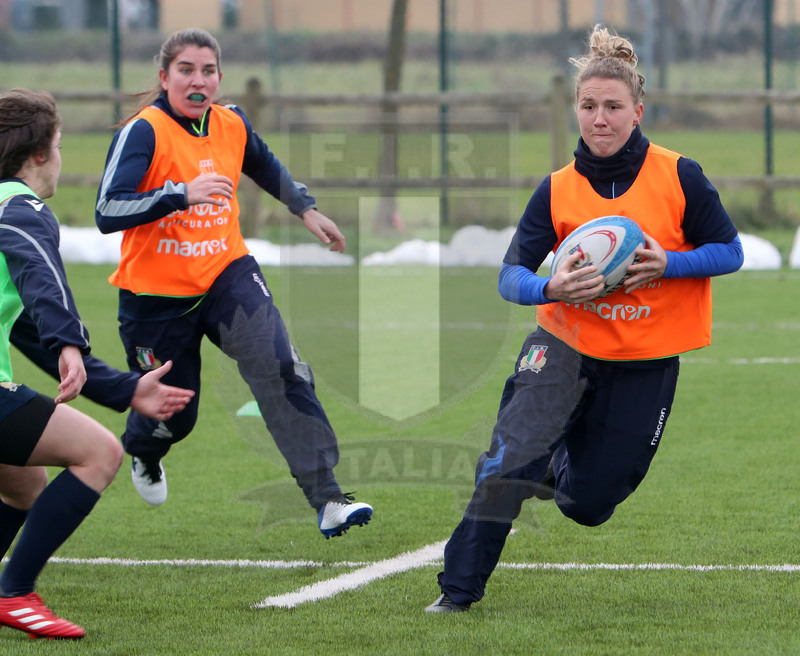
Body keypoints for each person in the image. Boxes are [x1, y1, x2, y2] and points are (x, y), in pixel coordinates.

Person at [425, 25, 744, 613]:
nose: (600, 118)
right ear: (576, 108)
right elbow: (508, 275)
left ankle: (557, 466)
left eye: (613, 107)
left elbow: (729, 251)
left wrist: (666, 263)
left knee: (590, 504)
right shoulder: (556, 190)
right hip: (562, 347)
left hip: (644, 362)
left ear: (638, 111)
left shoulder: (680, 175)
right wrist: (552, 285)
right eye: (588, 105)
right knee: (507, 466)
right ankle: (457, 592)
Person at [94, 28, 372, 538]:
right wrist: (179, 194)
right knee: (176, 416)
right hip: (155, 300)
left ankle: (328, 497)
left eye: (207, 71)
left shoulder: (231, 122)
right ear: (164, 77)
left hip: (227, 275)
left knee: (281, 366)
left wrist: (305, 209)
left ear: (219, 78)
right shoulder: (144, 131)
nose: (197, 81)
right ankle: (145, 448)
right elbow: (107, 209)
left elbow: (264, 164)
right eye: (186, 71)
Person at [0, 88, 195, 639]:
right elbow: (40, 275)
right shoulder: (20, 207)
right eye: (59, 145)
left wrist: (124, 389)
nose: (61, 157)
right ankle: (13, 594)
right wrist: (68, 341)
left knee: (23, 484)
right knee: (100, 453)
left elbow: (28, 330)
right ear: (39, 154)